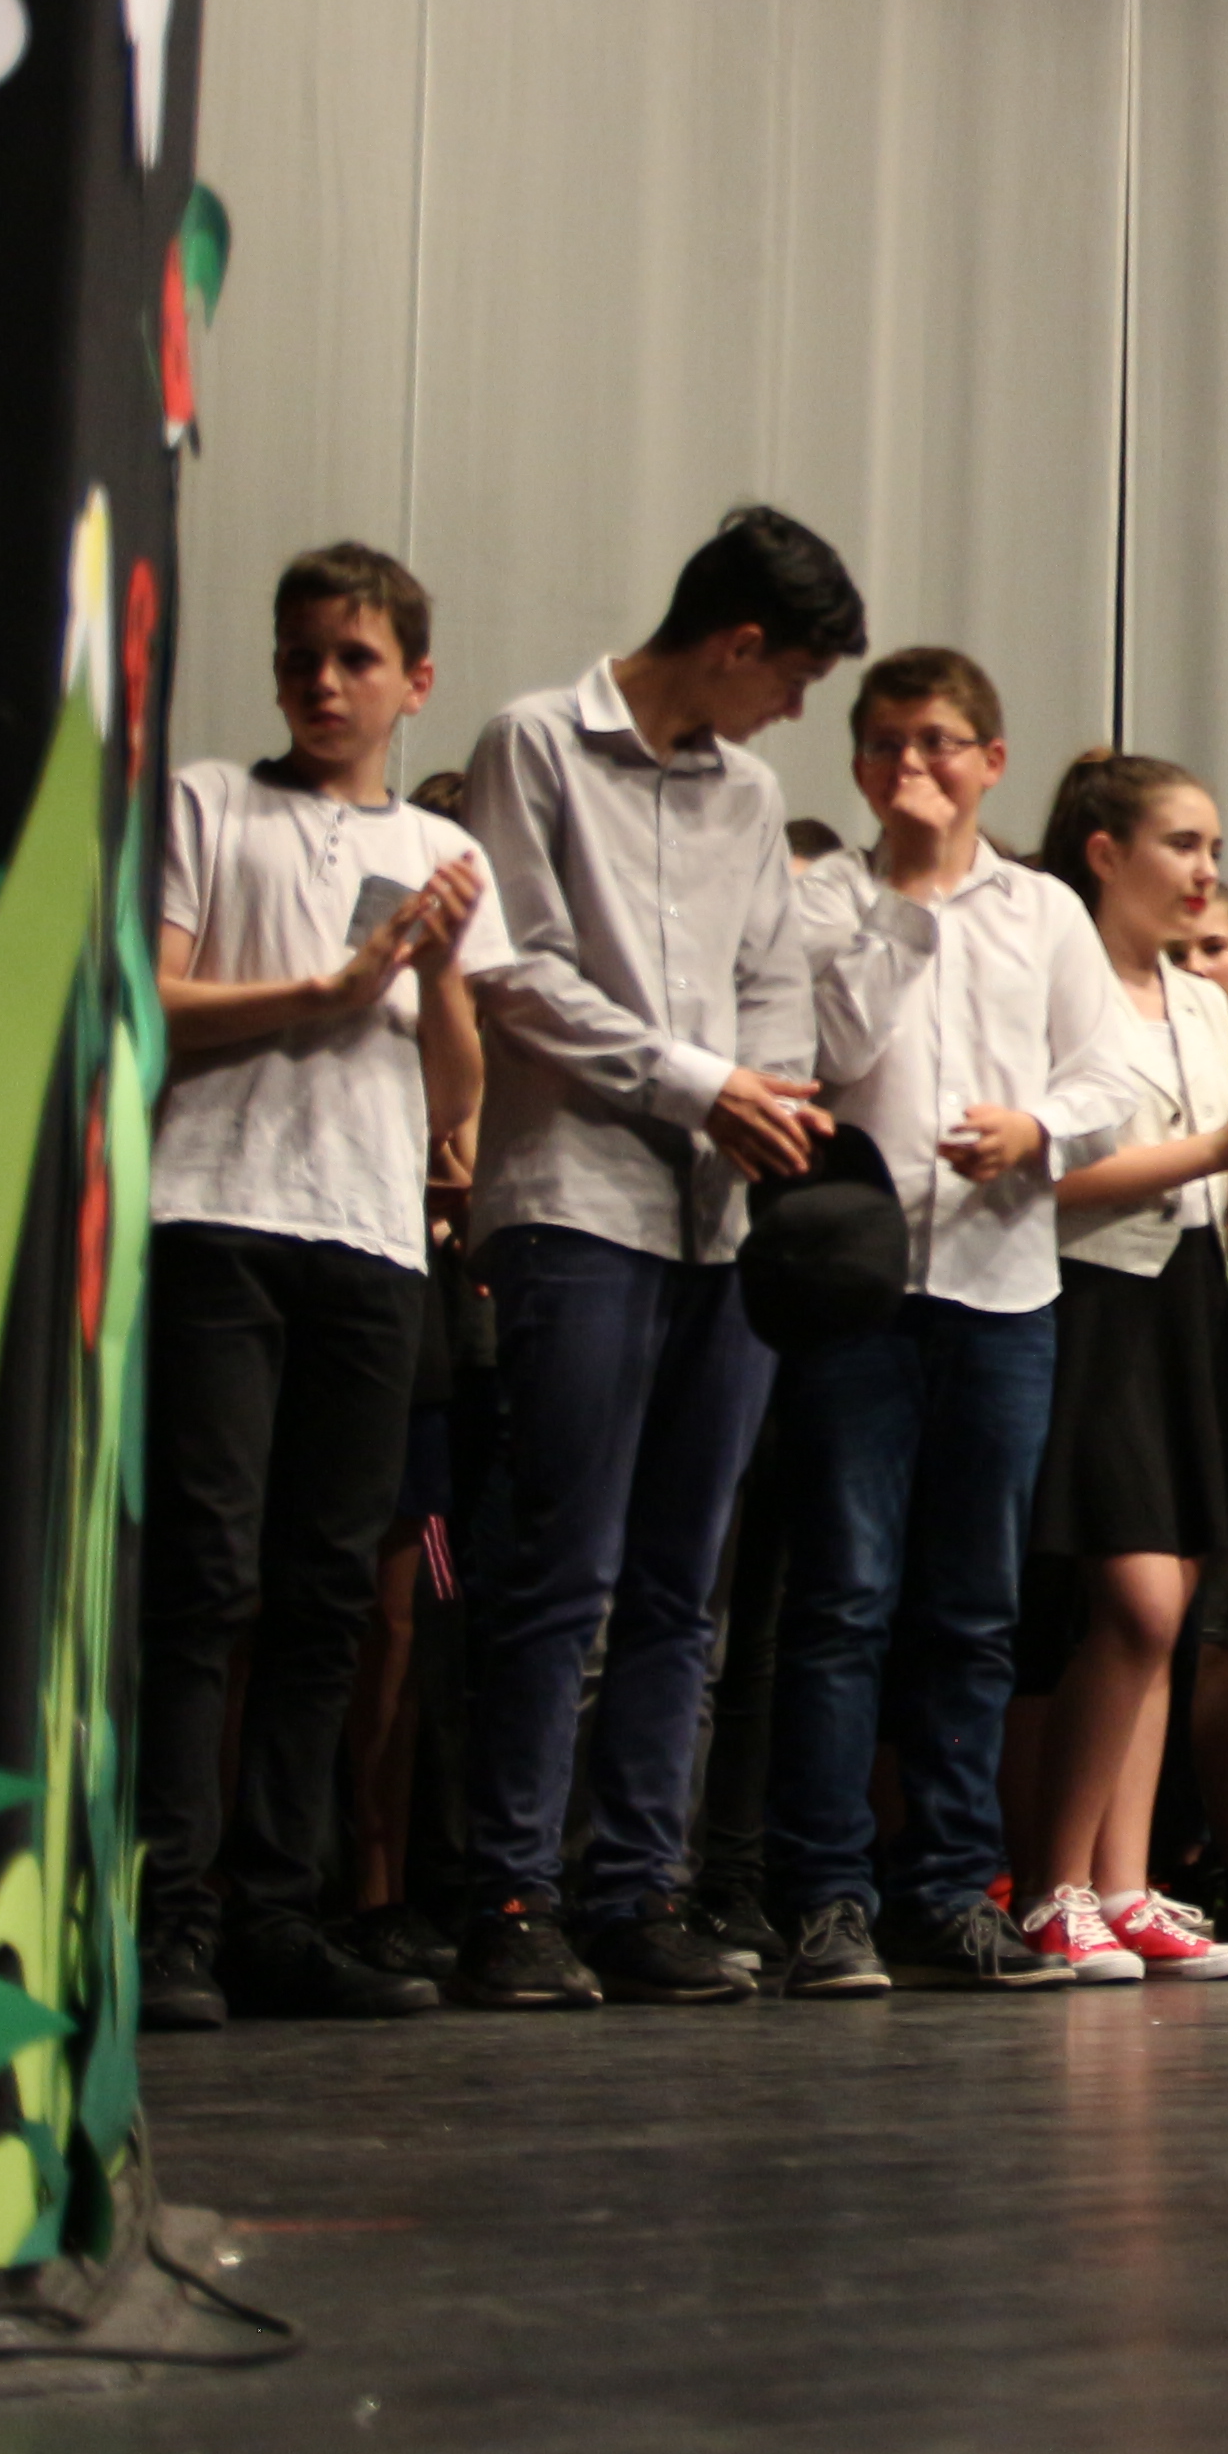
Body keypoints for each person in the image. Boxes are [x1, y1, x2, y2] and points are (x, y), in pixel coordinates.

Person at [453, 504, 862, 2007]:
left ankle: (639, 1890)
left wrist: (767, 1098)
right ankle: (509, 1894)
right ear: (737, 645)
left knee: (689, 1579)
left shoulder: (750, 792)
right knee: (564, 1565)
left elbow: (772, 974)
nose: (794, 712)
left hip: (721, 1217)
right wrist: (704, 1087)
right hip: (580, 1200)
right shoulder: (533, 744)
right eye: (793, 678)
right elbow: (518, 972)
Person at [140, 544, 504, 2026]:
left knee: (328, 1592)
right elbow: (147, 1001)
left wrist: (441, 973)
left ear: (416, 683)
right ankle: (169, 1916)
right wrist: (324, 993)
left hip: (368, 1238)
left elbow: (454, 1105)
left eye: (357, 659)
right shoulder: (209, 803)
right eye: (302, 656)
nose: (324, 683)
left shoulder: (435, 850)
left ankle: (277, 1915)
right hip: (212, 1215)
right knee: (203, 1578)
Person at [758, 650, 1144, 1996]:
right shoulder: (826, 897)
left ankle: (948, 1888)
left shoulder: (1045, 909)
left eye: (935, 743)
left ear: (990, 760)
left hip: (1002, 1289)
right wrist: (909, 892)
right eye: (884, 744)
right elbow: (832, 1053)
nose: (909, 767)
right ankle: (824, 1893)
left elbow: (1111, 1078)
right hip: (858, 1296)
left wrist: (1038, 1126)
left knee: (973, 1610)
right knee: (843, 1598)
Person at [1010, 752, 1228, 1986]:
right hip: (1091, 1295)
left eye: (1215, 850)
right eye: (1183, 845)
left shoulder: (1199, 998)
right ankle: (1051, 1886)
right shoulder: (1055, 977)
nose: (1204, 871)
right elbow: (1054, 1173)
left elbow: (1217, 1189)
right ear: (1105, 853)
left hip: (1185, 1297)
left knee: (1167, 1615)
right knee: (1130, 1607)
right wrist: (1219, 1149)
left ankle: (1123, 1886)